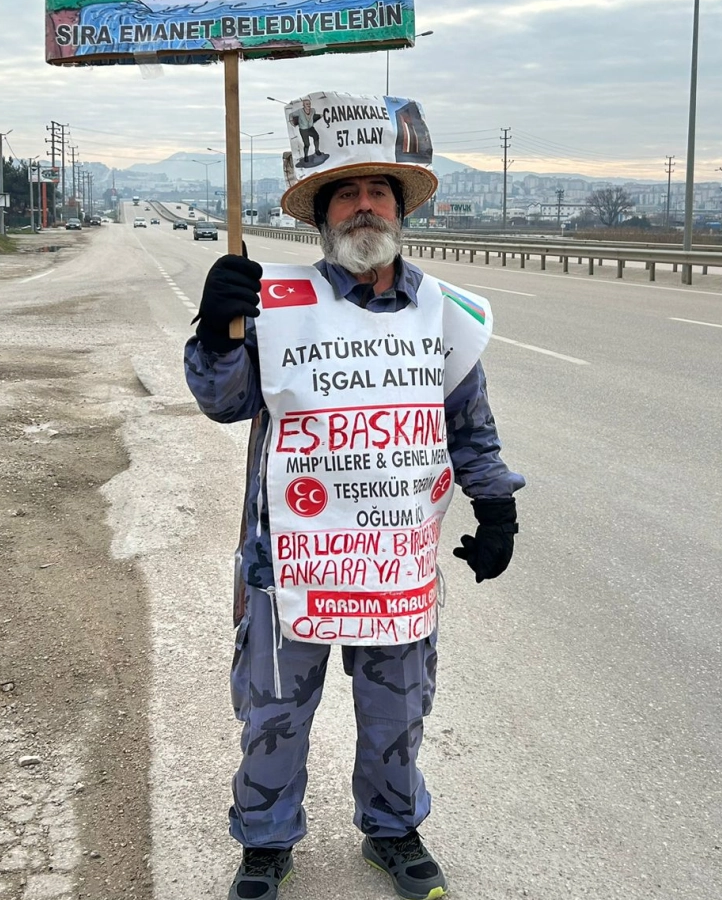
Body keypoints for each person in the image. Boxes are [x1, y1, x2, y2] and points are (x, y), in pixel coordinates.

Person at [185, 91, 523, 900]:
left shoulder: (443, 313)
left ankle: (394, 833)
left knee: (397, 715)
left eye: (379, 191)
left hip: (392, 561)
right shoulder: (274, 303)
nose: (364, 204)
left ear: (399, 210)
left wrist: (497, 506)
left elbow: (467, 426)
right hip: (288, 564)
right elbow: (225, 401)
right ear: (323, 216)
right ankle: (265, 842)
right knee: (272, 716)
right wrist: (215, 328)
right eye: (346, 191)